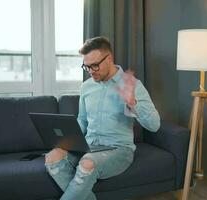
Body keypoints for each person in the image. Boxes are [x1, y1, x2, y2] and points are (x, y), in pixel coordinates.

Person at [44, 37, 160, 200]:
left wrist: (133, 103)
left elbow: (155, 125)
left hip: (118, 150)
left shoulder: (130, 84)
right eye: (87, 66)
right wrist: (66, 141)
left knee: (87, 163)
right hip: (88, 146)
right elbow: (82, 121)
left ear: (110, 59)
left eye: (95, 65)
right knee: (52, 158)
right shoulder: (87, 86)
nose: (91, 71)